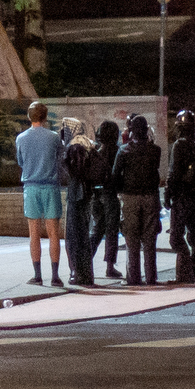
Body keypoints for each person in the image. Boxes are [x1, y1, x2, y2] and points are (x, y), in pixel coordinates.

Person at [12, 98, 67, 287]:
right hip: (51, 187)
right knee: (53, 233)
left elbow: (21, 162)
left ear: (29, 117)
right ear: (45, 117)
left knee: (33, 233)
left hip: (31, 187)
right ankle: (55, 275)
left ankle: (37, 275)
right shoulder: (54, 137)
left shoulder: (21, 138)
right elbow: (61, 159)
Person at [112, 113, 163, 286]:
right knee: (149, 239)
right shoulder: (155, 150)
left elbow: (115, 175)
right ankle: (151, 277)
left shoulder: (124, 150)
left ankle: (133, 278)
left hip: (130, 196)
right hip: (150, 196)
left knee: (131, 238)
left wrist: (120, 191)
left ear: (132, 131)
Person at [61, 120, 108, 292]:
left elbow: (75, 171)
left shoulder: (75, 146)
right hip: (87, 194)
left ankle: (77, 273)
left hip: (76, 195)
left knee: (74, 236)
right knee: (84, 237)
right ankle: (87, 274)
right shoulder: (88, 144)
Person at [163, 109, 195, 285]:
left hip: (182, 197)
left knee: (176, 237)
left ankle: (184, 274)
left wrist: (167, 194)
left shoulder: (179, 145)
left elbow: (173, 172)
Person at [90, 118, 125, 277]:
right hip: (110, 195)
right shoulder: (117, 151)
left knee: (97, 229)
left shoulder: (95, 152)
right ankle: (110, 266)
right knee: (112, 231)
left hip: (96, 196)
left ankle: (85, 260)